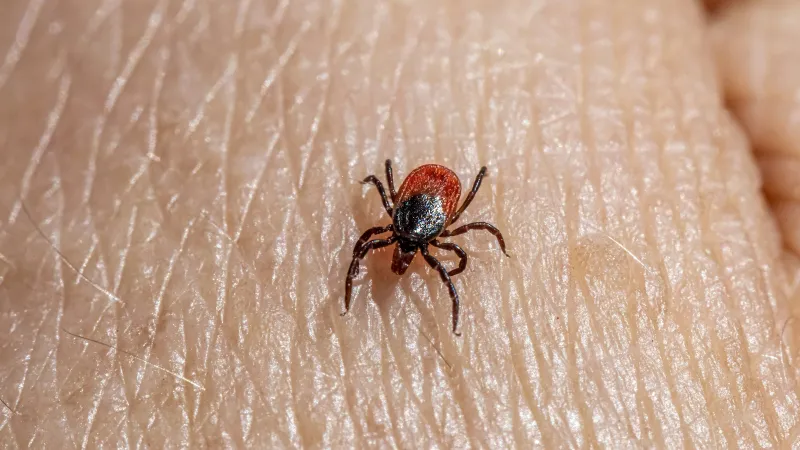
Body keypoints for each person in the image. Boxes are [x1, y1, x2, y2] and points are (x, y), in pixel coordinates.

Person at [0, 0, 798, 447]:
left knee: (467, 222)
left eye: (408, 246)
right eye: (403, 246)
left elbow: (443, 229)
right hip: (434, 183)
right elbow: (414, 233)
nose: (406, 253)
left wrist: (435, 240)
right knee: (454, 224)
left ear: (414, 232)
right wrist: (383, 259)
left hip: (433, 182)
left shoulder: (421, 224)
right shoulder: (418, 230)